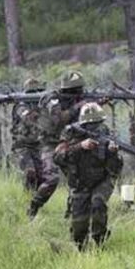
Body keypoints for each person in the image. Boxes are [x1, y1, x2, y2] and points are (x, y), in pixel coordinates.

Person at [54, 103, 123, 250]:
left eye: (97, 123)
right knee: (79, 229)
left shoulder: (107, 134)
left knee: (98, 203)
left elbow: (116, 168)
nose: (95, 127)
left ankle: (100, 243)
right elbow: (57, 157)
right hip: (79, 183)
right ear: (83, 124)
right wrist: (80, 146)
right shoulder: (71, 134)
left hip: (101, 180)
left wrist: (113, 153)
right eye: (91, 124)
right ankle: (82, 250)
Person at [38, 71, 87, 218]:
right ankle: (33, 208)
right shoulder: (52, 99)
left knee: (78, 181)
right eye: (76, 90)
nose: (80, 92)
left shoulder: (77, 99)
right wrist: (79, 106)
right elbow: (59, 120)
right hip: (50, 144)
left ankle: (71, 214)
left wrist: (93, 107)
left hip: (68, 144)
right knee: (52, 180)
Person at [11, 78, 59, 218]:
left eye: (37, 92)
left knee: (41, 178)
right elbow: (29, 117)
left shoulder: (44, 105)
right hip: (22, 146)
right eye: (32, 93)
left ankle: (31, 206)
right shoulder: (20, 105)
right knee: (30, 172)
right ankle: (26, 201)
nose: (35, 95)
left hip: (38, 146)